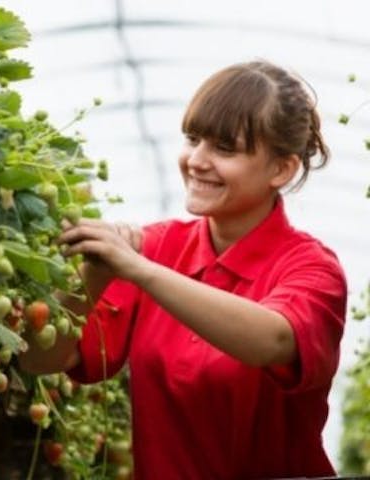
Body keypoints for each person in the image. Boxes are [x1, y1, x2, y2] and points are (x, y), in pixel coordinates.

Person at [18, 60, 348, 480]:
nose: (197, 160)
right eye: (193, 139)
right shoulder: (157, 247)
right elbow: (42, 360)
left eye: (225, 149)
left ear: (281, 169)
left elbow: (275, 339)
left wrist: (141, 270)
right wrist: (95, 275)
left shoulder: (311, 267)